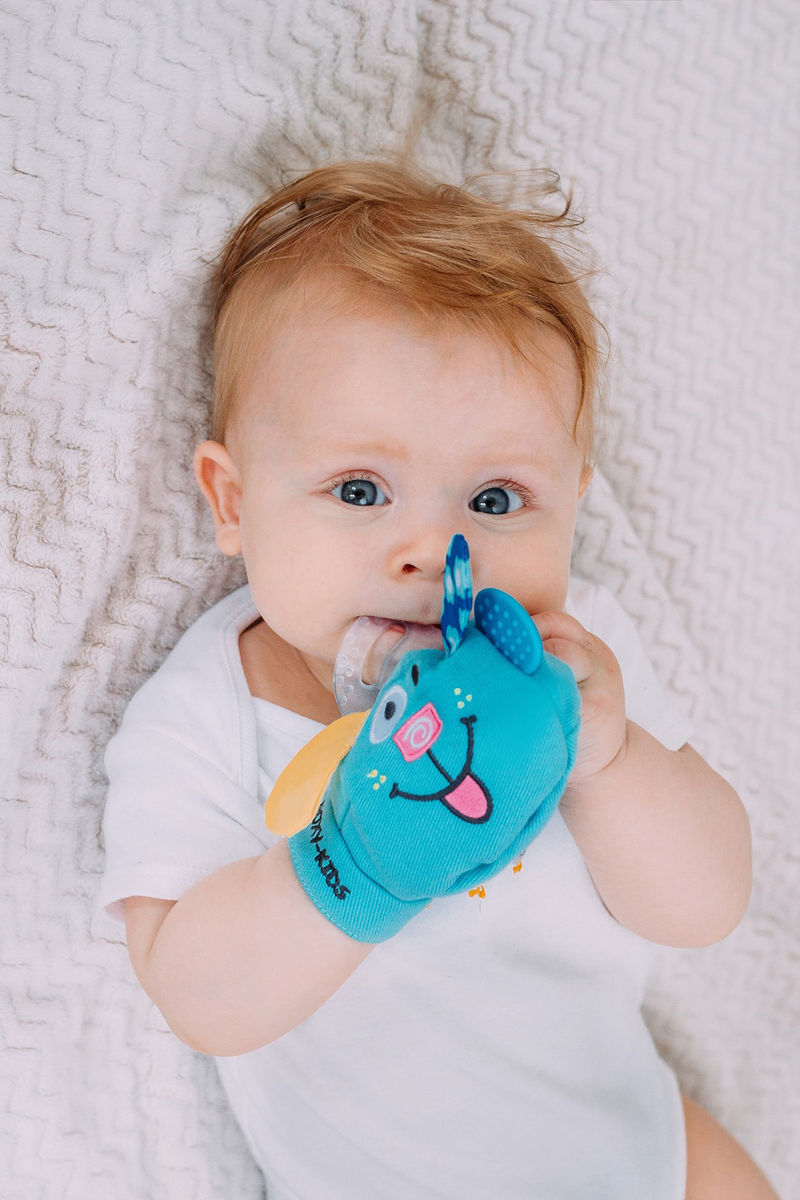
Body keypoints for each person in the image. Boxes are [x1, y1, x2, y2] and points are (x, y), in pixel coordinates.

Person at [99, 160, 778, 1198]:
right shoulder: (205, 713)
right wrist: (353, 868)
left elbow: (704, 906)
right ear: (232, 501)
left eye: (496, 500)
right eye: (359, 489)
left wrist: (608, 755)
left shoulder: (576, 661)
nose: (434, 551)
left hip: (643, 1154)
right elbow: (199, 999)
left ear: (573, 503)